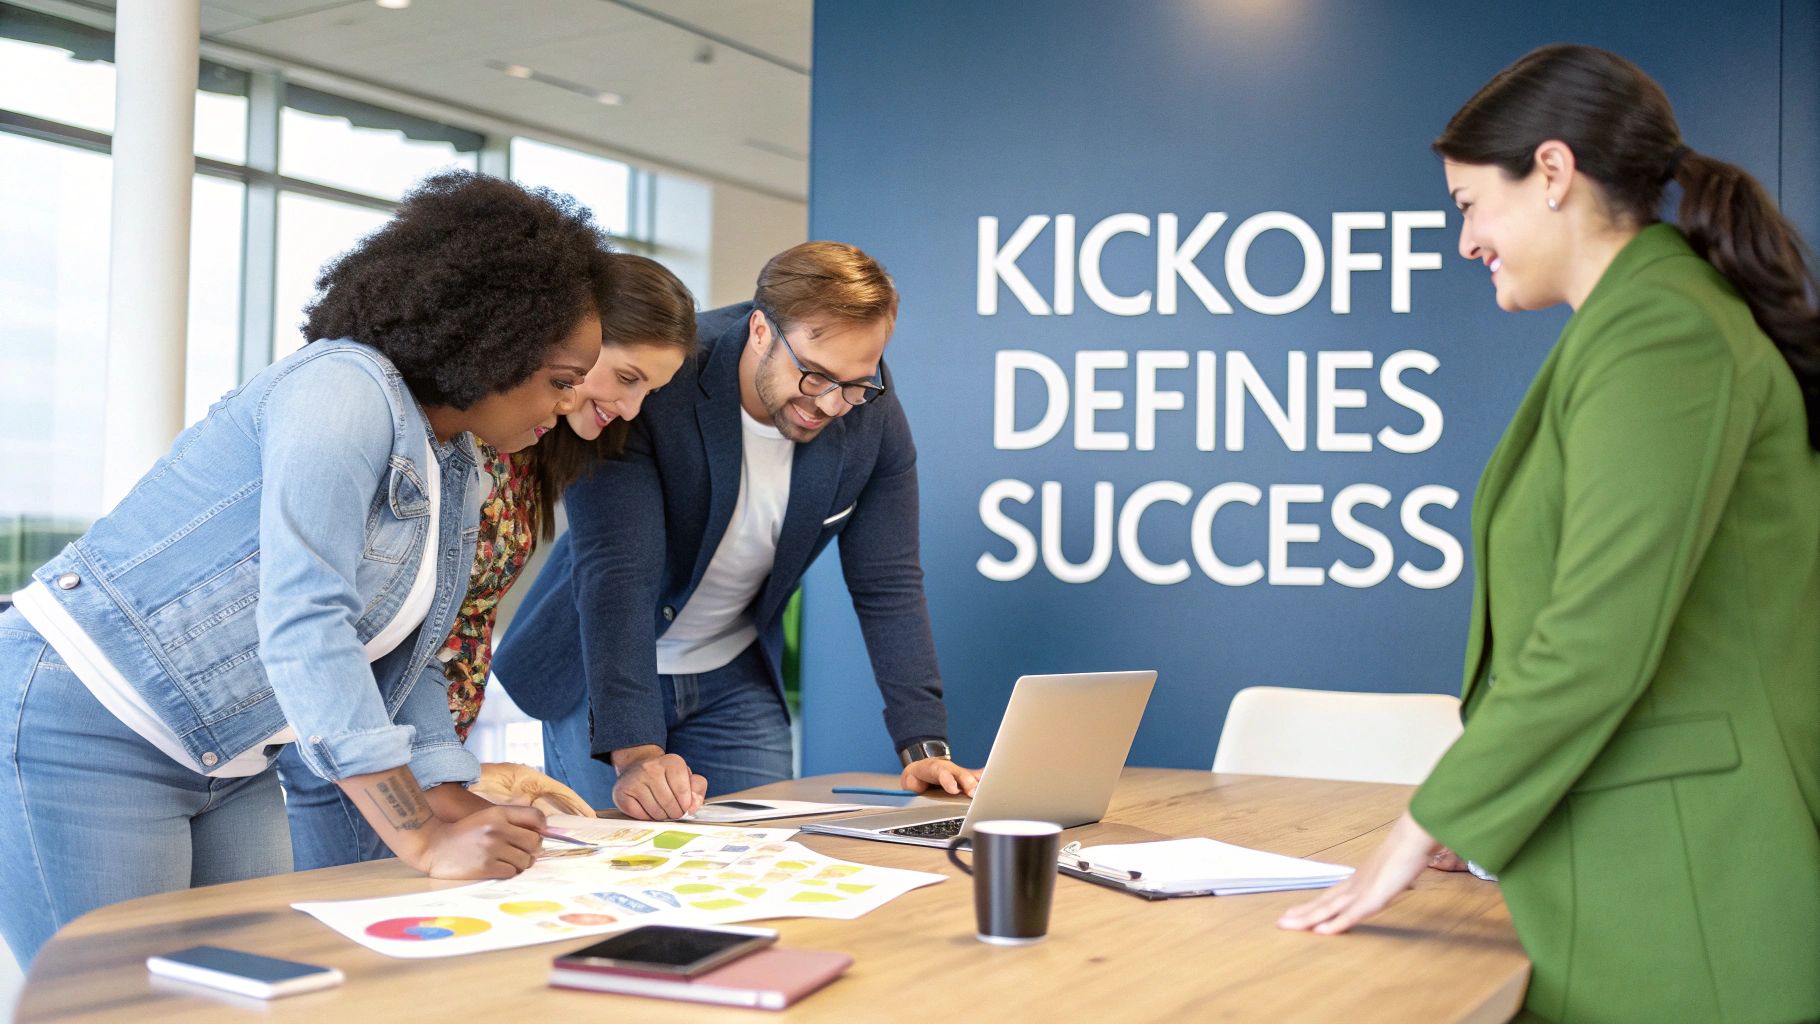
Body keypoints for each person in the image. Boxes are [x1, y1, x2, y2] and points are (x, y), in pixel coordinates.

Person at [1277, 45, 1820, 1023]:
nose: (1463, 240)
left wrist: (1420, 824)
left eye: (1466, 205)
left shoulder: (1662, 330)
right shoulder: (1637, 322)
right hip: (1631, 881)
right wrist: (1484, 822)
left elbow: (1596, 634)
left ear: (1553, 173)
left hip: (1684, 897)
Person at [0, 171, 611, 965]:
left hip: (236, 755)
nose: (568, 406)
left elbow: (408, 653)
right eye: (562, 382)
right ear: (491, 341)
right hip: (89, 724)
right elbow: (306, 623)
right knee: (118, 1002)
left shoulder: (456, 461)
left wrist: (450, 794)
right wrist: (420, 834)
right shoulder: (341, 389)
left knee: (253, 989)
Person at [495, 241, 979, 819]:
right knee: (617, 864)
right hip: (604, 669)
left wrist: (923, 743)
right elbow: (616, 568)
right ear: (759, 331)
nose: (832, 404)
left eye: (857, 381)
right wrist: (637, 753)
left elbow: (888, 581)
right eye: (816, 376)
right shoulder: (661, 375)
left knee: (763, 864)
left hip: (732, 673)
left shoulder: (865, 406)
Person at [279, 253, 698, 868]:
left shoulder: (534, 445)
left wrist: (454, 773)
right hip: (367, 738)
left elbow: (442, 626)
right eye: (627, 378)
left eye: (650, 392)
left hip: (432, 739)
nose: (632, 410)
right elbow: (361, 627)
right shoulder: (436, 432)